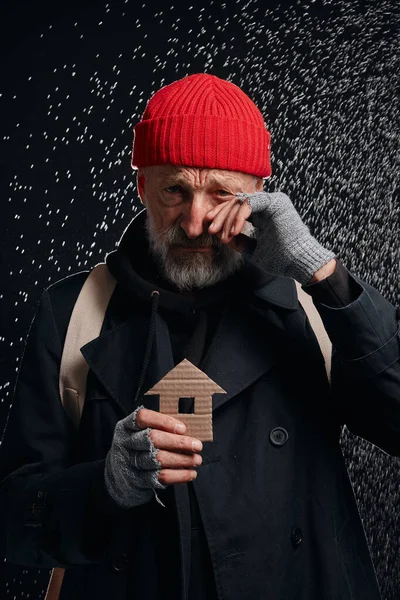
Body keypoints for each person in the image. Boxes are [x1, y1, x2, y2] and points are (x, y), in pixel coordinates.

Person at [0, 73, 399, 600]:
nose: (194, 222)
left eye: (222, 194)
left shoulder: (316, 308)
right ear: (142, 185)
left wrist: (323, 273)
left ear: (260, 193)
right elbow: (13, 517)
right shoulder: (71, 311)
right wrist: (103, 486)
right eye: (175, 190)